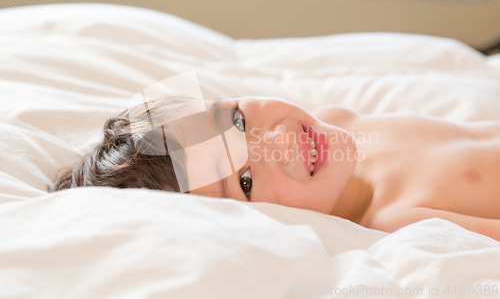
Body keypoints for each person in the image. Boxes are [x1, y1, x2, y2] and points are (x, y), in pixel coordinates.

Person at [50, 96, 500, 242]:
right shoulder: (399, 217)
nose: (281, 141)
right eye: (245, 181)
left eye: (240, 122)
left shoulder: (341, 122)